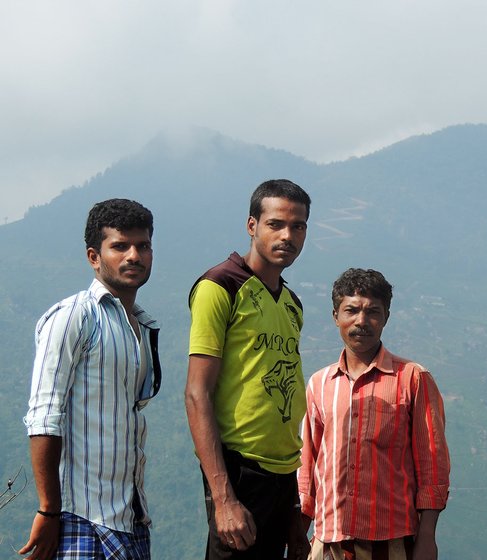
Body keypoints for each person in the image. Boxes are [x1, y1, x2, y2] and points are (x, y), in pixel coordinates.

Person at [21, 199, 160, 560]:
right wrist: (49, 509)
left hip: (130, 519)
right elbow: (43, 417)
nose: (134, 256)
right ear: (93, 257)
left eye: (143, 245)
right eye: (120, 246)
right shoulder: (74, 317)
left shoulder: (141, 326)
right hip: (80, 519)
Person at [185, 179, 312, 560]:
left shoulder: (292, 303)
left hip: (283, 476)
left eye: (298, 226)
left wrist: (293, 508)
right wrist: (223, 498)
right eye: (276, 224)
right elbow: (197, 393)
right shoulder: (220, 286)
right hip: (240, 473)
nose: (287, 235)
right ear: (252, 225)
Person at [298, 268, 451, 560]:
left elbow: (433, 466)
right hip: (329, 541)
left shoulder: (413, 379)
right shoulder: (319, 384)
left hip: (392, 541)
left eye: (372, 312)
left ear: (386, 317)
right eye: (351, 310)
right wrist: (299, 533)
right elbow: (308, 465)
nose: (361, 321)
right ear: (335, 317)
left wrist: (427, 538)